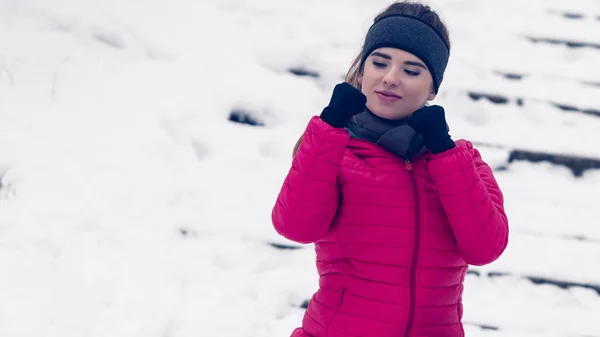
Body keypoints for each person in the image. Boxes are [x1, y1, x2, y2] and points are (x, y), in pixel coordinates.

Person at [271, 1, 509, 336]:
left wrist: (443, 152)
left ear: (432, 89)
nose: (390, 78)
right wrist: (328, 128)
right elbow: (294, 226)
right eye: (379, 63)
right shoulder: (334, 151)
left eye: (412, 71)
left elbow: (486, 248)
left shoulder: (461, 161)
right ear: (362, 71)